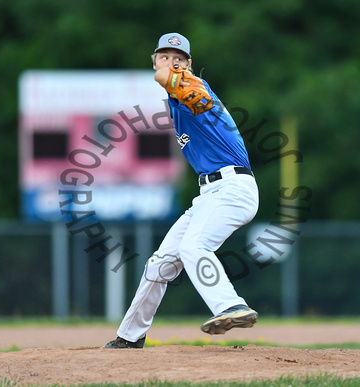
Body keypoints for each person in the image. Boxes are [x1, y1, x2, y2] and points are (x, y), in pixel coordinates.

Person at [102, 32, 260, 349]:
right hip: (210, 193)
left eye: (179, 57)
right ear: (154, 59)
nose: (172, 61)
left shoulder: (195, 90)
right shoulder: (175, 102)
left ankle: (231, 305)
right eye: (164, 55)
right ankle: (129, 338)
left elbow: (172, 80)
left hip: (233, 187)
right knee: (159, 265)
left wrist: (166, 70)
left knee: (193, 247)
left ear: (188, 64)